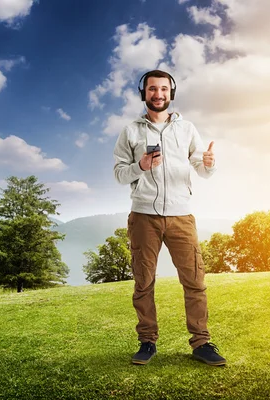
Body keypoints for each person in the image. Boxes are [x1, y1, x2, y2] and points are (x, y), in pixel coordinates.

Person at [113, 69, 226, 366]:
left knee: (194, 281)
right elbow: (119, 174)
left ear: (171, 93)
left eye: (163, 89)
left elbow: (201, 169)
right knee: (143, 282)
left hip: (180, 216)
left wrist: (209, 163)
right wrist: (140, 165)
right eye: (152, 89)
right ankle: (147, 342)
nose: (158, 94)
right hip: (143, 216)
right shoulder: (131, 131)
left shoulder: (187, 129)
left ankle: (201, 343)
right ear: (144, 93)